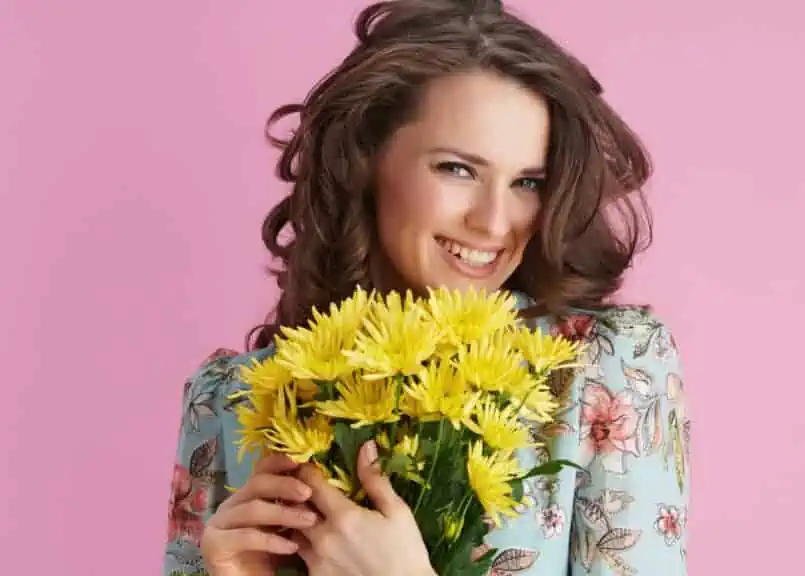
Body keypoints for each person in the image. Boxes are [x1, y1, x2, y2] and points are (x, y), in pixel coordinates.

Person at [163, 0, 692, 574]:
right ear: (364, 163)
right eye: (457, 169)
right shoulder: (232, 401)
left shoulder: (605, 375)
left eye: (527, 182)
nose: (493, 222)